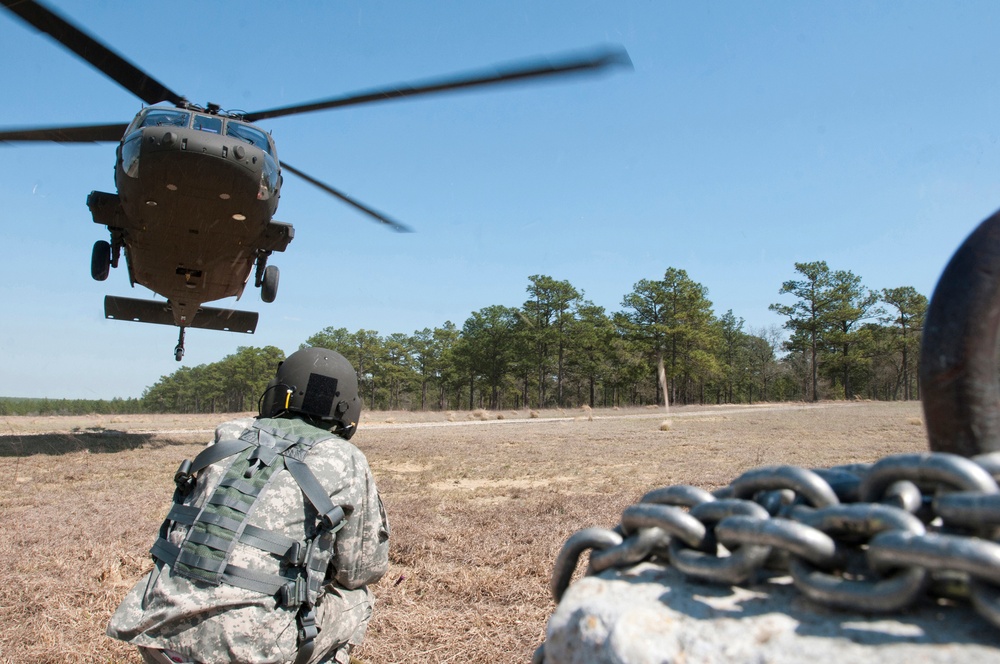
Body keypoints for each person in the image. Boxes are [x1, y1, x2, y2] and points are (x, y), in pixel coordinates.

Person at [108, 348, 390, 664]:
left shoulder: (230, 433)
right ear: (349, 410)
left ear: (279, 393)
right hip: (251, 648)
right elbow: (362, 570)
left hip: (158, 629)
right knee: (358, 599)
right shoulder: (345, 459)